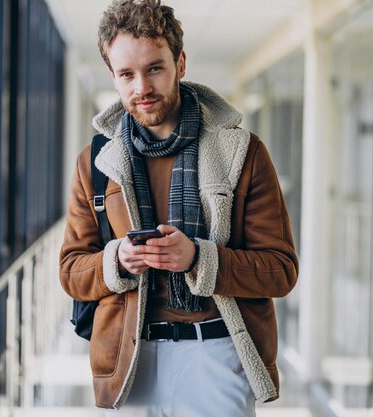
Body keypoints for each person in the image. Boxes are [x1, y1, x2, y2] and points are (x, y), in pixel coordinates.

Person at [59, 0, 298, 415]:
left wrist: (199, 259)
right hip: (129, 361)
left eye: (154, 68)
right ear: (113, 77)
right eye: (127, 74)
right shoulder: (95, 162)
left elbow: (280, 270)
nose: (142, 88)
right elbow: (71, 271)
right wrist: (117, 261)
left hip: (217, 356)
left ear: (180, 63)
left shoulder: (243, 152)